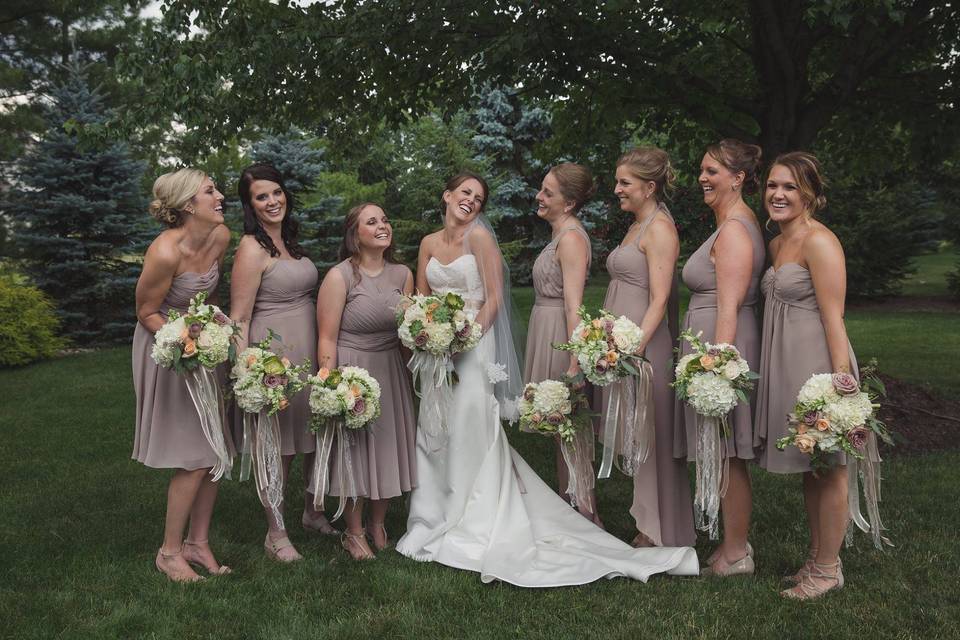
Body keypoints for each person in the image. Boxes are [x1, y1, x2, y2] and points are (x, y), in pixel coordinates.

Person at [395, 171, 698, 586]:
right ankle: (434, 511)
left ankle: (551, 511)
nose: (472, 201)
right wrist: (427, 333)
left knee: (488, 426)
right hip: (440, 348)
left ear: (568, 202)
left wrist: (462, 339)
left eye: (479, 197)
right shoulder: (430, 243)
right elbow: (424, 298)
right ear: (446, 195)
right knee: (436, 428)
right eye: (465, 193)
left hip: (473, 344)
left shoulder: (494, 239)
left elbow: (503, 299)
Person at [754, 152, 861, 598]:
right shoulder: (777, 243)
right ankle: (816, 557)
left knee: (830, 466)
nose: (778, 195)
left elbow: (834, 318)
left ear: (811, 193)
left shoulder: (820, 242)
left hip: (818, 364)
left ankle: (829, 568)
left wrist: (838, 387)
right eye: (773, 186)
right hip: (785, 362)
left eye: (790, 187)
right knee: (810, 465)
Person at [132, 168, 233, 582]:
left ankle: (199, 543)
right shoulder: (164, 252)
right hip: (166, 350)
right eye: (211, 191)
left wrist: (212, 328)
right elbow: (145, 312)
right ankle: (169, 552)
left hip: (202, 346)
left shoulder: (221, 237)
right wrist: (182, 343)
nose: (220, 196)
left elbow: (207, 297)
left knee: (214, 451)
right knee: (193, 457)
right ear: (189, 205)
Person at [675, 139, 765, 576]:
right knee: (722, 449)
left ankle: (736, 552)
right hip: (713, 341)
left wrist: (717, 369)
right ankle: (731, 545)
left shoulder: (733, 229)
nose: (703, 178)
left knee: (727, 450)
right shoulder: (731, 222)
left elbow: (729, 307)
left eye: (712, 171)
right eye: (702, 170)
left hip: (721, 343)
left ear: (738, 177)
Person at [230, 163, 327, 562]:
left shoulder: (289, 241)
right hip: (274, 358)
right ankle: (275, 532)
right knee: (278, 446)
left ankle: (312, 511)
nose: (273, 201)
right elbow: (238, 317)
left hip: (308, 349)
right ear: (250, 206)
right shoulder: (251, 248)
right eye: (261, 197)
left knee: (315, 436)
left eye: (276, 192)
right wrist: (247, 371)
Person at [602, 147, 696, 549]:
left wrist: (633, 349)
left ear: (649, 186)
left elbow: (659, 299)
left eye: (625, 182)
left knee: (653, 437)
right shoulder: (637, 224)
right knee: (639, 436)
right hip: (624, 346)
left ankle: (662, 531)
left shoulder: (659, 229)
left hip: (645, 350)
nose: (617, 189)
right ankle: (647, 524)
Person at [316, 203, 418, 560]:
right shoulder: (339, 276)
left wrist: (414, 374)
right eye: (371, 222)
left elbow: (409, 331)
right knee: (355, 452)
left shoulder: (404, 274)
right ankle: (354, 530)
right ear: (354, 234)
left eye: (385, 220)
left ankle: (378, 522)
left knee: (389, 446)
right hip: (353, 368)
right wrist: (331, 385)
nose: (382, 226)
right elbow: (327, 336)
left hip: (391, 367)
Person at [523, 163, 599, 524]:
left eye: (548, 193)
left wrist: (574, 360)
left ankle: (586, 514)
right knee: (559, 428)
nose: (539, 196)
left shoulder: (570, 238)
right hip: (545, 326)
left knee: (571, 429)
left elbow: (574, 304)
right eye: (542, 189)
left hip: (559, 333)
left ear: (568, 204)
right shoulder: (559, 233)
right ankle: (569, 506)